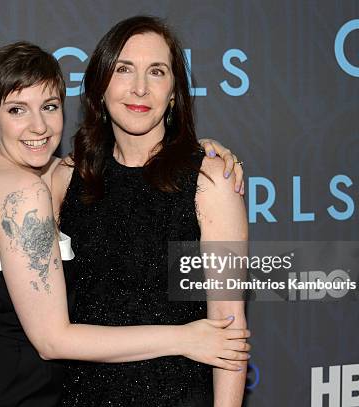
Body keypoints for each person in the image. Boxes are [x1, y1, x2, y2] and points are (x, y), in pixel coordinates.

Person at [0, 40, 248, 407]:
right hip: (19, 389)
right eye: (17, 110)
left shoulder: (35, 175)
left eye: (49, 107)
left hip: (149, 391)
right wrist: (185, 338)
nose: (38, 126)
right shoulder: (49, 182)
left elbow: (229, 327)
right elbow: (51, 339)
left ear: (174, 93)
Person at [50, 16, 249, 406]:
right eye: (124, 69)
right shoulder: (66, 177)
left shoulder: (210, 180)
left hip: (176, 394)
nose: (139, 87)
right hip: (80, 394)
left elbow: (228, 322)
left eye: (156, 72)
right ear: (100, 84)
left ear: (173, 93)